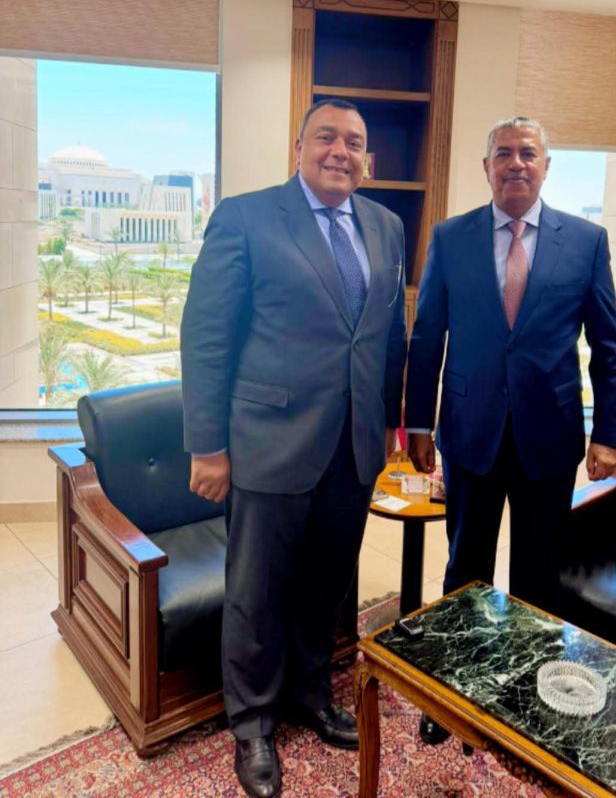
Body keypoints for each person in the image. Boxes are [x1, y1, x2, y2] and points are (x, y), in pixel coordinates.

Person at [180, 99, 406, 797]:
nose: (341, 151)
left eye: (355, 142)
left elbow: (388, 334)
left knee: (327, 584)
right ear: (299, 146)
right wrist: (207, 447)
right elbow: (206, 335)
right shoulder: (247, 218)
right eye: (327, 137)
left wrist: (391, 429)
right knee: (256, 592)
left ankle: (311, 694)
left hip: (353, 445)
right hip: (267, 441)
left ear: (367, 158)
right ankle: (251, 723)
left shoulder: (386, 225)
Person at [405, 117, 616, 745]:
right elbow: (428, 337)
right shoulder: (450, 238)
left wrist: (607, 433)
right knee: (464, 569)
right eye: (503, 153)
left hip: (549, 437)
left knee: (538, 574)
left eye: (528, 153)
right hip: (469, 432)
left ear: (546, 166)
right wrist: (417, 423)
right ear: (486, 167)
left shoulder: (585, 241)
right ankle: (452, 689)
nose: (516, 163)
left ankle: (531, 691)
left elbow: (607, 345)